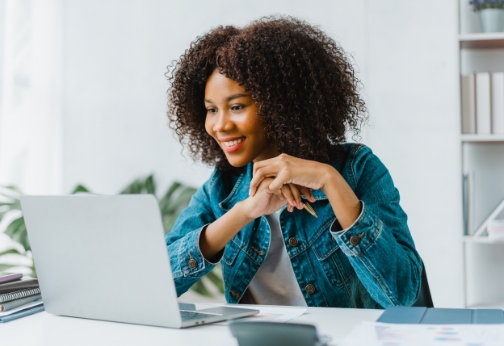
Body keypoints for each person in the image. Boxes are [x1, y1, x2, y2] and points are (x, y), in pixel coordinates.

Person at [165, 16, 422, 308]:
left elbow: (401, 295)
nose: (220, 125)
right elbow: (156, 282)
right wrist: (245, 212)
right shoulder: (222, 187)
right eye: (211, 110)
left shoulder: (357, 169)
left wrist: (331, 181)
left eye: (236, 107)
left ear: (279, 104)